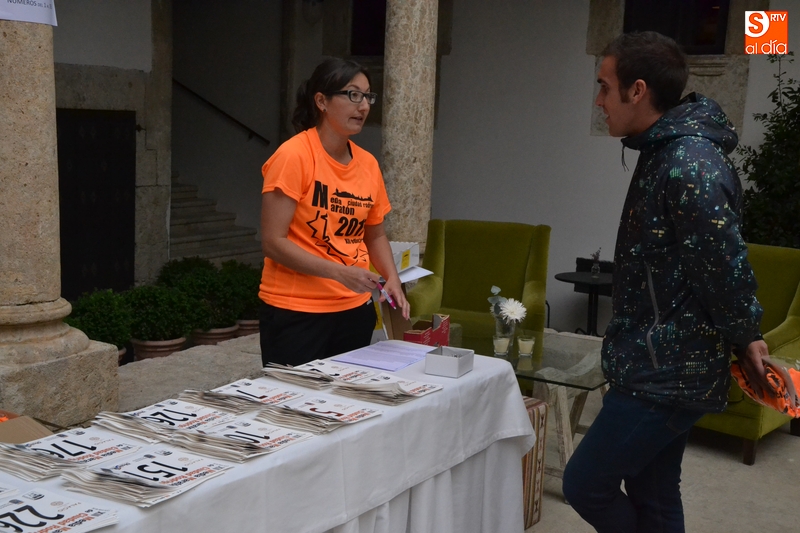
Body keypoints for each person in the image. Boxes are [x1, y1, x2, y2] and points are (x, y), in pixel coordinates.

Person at [562, 32, 773, 532]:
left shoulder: (687, 162)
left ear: (637, 90)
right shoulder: (663, 150)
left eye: (604, 86)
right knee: (655, 497)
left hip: (667, 373)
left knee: (585, 483)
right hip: (659, 363)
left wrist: (747, 334)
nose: (598, 101)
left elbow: (723, 266)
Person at [259, 58, 410, 367]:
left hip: (355, 310)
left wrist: (392, 278)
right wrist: (340, 273)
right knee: (298, 398)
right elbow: (273, 242)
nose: (363, 106)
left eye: (367, 96)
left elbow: (374, 234)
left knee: (347, 395)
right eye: (353, 94)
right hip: (297, 312)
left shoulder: (368, 164)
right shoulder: (294, 156)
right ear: (322, 101)